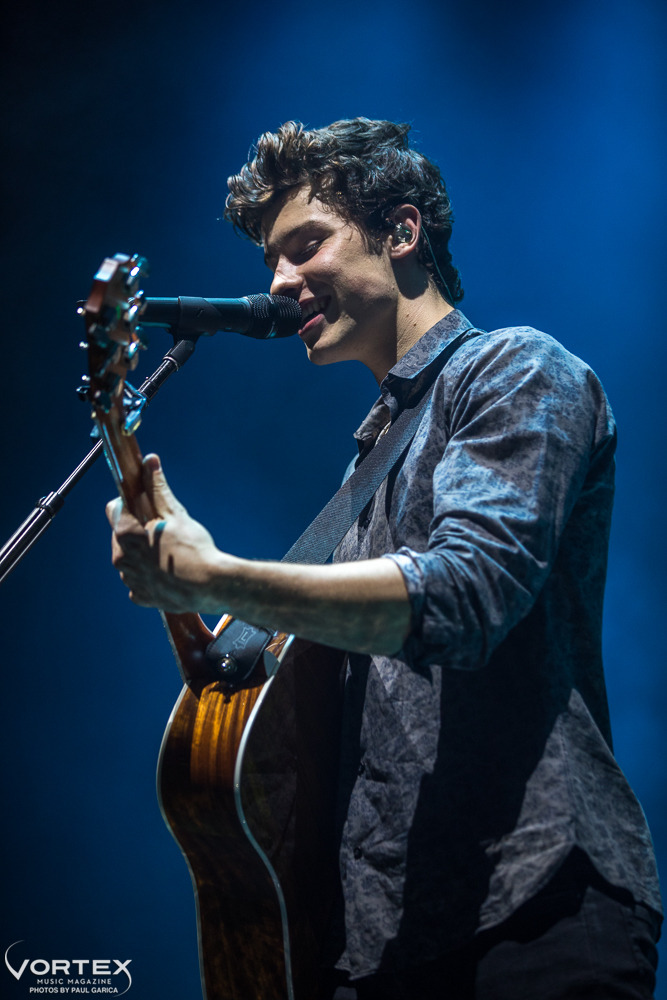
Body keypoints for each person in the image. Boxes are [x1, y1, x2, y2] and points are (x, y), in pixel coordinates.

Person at [107, 118, 662, 998]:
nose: (281, 282)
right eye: (268, 264)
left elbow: (464, 597)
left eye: (305, 245)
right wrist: (193, 598)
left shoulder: (516, 369)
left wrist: (214, 574)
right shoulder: (363, 475)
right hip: (378, 941)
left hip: (531, 911)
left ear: (401, 234)